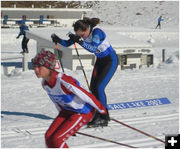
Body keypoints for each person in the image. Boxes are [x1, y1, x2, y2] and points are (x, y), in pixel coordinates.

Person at [51, 17, 118, 127]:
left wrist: (80, 41)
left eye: (82, 34)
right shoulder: (81, 34)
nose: (80, 36)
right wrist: (58, 40)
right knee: (93, 88)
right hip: (100, 60)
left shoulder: (97, 32)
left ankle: (104, 116)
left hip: (110, 60)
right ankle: (99, 112)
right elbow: (67, 43)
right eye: (78, 35)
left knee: (99, 88)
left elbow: (92, 48)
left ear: (87, 29)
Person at [31, 50, 107, 148]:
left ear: (49, 67)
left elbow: (86, 95)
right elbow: (57, 102)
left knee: (57, 139)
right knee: (49, 136)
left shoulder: (63, 81)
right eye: (35, 67)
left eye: (39, 67)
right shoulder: (45, 84)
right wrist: (65, 125)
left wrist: (102, 111)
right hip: (67, 112)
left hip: (82, 112)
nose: (36, 70)